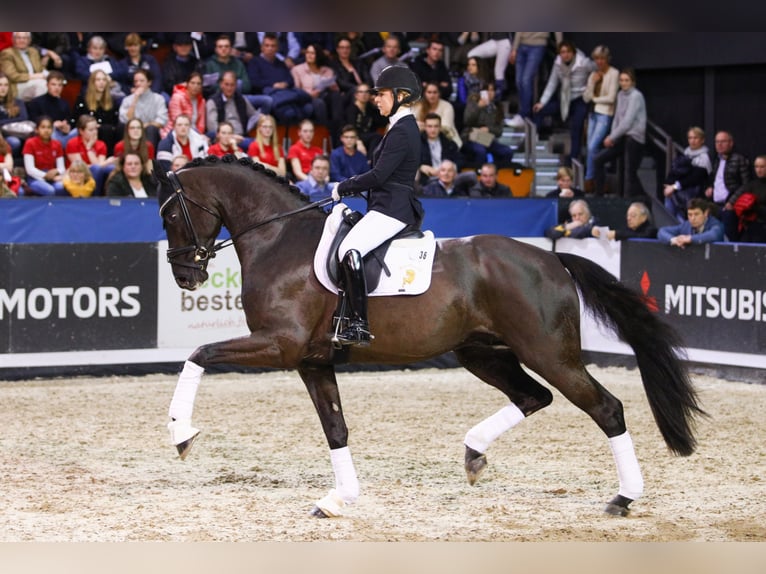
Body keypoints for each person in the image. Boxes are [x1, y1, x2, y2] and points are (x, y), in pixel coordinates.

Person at [330, 65, 425, 346]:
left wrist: (343, 187)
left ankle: (359, 324)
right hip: (385, 204)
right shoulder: (398, 127)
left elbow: (379, 175)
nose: (376, 99)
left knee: (350, 249)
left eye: (382, 94)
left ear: (401, 95)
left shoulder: (403, 130)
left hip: (392, 208)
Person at [532, 40, 595, 166]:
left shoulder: (583, 62)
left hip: (579, 99)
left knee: (576, 130)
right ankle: (533, 142)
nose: (565, 55)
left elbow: (598, 69)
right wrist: (542, 102)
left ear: (573, 53)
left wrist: (593, 82)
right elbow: (552, 83)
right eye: (562, 52)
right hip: (565, 99)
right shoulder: (558, 63)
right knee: (540, 111)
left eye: (568, 52)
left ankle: (570, 162)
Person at [592, 68, 647, 198]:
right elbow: (617, 118)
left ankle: (639, 200)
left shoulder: (636, 96)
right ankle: (599, 195)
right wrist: (613, 137)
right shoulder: (620, 94)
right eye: (621, 80)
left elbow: (628, 121)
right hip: (622, 137)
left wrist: (612, 137)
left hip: (634, 137)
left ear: (632, 82)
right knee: (598, 160)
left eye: (626, 80)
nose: (623, 83)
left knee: (629, 173)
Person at [246, 33, 307, 125]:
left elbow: (290, 80)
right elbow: (254, 82)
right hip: (268, 93)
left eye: (273, 46)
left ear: (277, 48)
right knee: (290, 111)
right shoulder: (254, 62)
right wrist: (273, 84)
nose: (270, 48)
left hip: (284, 92)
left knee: (308, 108)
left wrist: (285, 84)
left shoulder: (281, 63)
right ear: (262, 47)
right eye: (267, 46)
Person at [582, 45, 619, 193]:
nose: (599, 62)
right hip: (592, 114)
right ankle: (598, 181)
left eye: (602, 58)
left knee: (592, 147)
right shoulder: (593, 75)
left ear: (607, 59)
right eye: (597, 59)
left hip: (605, 114)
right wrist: (592, 83)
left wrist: (595, 98)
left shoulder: (614, 73)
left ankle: (589, 179)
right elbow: (585, 98)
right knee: (591, 149)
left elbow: (611, 98)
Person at [663, 126, 713, 222]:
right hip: (676, 195)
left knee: (685, 220)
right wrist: (669, 185)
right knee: (669, 217)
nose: (692, 141)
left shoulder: (704, 158)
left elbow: (695, 178)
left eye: (695, 138)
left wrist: (675, 186)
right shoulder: (685, 154)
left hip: (692, 197)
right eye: (690, 138)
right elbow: (675, 172)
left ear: (702, 140)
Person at [290, 43, 340, 137]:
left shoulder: (327, 70)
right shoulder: (297, 69)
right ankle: (324, 132)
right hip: (307, 97)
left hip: (324, 94)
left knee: (336, 96)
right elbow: (296, 89)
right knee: (318, 103)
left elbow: (335, 88)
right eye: (308, 52)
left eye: (313, 53)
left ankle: (337, 126)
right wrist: (310, 94)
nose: (309, 55)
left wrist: (332, 86)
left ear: (318, 55)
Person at [510, 32, 563, 119]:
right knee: (518, 81)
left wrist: (560, 47)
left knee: (526, 80)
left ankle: (524, 114)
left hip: (538, 45)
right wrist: (514, 48)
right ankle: (523, 111)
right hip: (521, 44)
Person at [461, 82, 514, 166]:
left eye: (492, 90)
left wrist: (489, 129)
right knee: (480, 151)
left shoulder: (497, 108)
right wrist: (478, 107)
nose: (489, 93)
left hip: (488, 139)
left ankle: (496, 174)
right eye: (487, 90)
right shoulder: (473, 103)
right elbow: (467, 121)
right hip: (471, 137)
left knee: (507, 152)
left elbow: (499, 131)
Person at [69, 69, 121, 154]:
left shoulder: (112, 101)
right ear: (92, 83)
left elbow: (114, 122)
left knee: (108, 130)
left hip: (107, 133)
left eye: (104, 80)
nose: (101, 82)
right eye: (98, 80)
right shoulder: (83, 99)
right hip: (87, 132)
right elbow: (76, 119)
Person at [206, 70, 261, 149]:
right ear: (221, 84)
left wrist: (263, 119)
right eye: (227, 84)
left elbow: (254, 115)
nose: (229, 88)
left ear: (236, 86)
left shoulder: (241, 99)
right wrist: (231, 137)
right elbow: (213, 128)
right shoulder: (213, 101)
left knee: (263, 143)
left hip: (242, 136)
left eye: (232, 85)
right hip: (224, 138)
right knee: (255, 146)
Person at [66, 114, 118, 195]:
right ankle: (95, 197)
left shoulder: (101, 144)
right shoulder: (72, 143)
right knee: (98, 168)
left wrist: (89, 148)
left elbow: (98, 166)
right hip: (77, 174)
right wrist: (106, 163)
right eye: (91, 130)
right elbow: (80, 168)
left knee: (112, 168)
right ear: (81, 131)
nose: (94, 132)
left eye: (96, 129)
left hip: (96, 173)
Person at [720, 154, 766, 243]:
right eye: (756, 167)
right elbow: (739, 198)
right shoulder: (751, 185)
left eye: (762, 167)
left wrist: (754, 207)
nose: (759, 170)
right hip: (751, 227)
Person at [118, 69, 168, 149]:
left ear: (149, 82)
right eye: (136, 81)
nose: (138, 84)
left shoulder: (158, 99)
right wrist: (135, 98)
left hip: (150, 131)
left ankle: (150, 158)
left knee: (151, 129)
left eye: (141, 81)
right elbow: (125, 120)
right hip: (131, 129)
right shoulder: (127, 100)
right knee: (122, 127)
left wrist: (145, 125)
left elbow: (161, 121)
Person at [704, 130, 751, 212]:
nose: (719, 144)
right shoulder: (717, 160)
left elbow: (746, 184)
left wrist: (732, 201)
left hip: (729, 206)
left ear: (731, 143)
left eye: (723, 141)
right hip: (714, 204)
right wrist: (710, 187)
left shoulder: (739, 159)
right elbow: (716, 179)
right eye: (717, 142)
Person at [0, 32, 52, 101]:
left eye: (25, 38)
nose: (22, 40)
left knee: (53, 83)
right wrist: (33, 77)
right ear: (13, 40)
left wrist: (48, 75)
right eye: (19, 38)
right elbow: (12, 76)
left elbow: (41, 69)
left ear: (29, 40)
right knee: (42, 85)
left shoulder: (33, 51)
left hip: (36, 81)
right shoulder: (7, 53)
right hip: (18, 85)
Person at [22, 116, 65, 196]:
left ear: (52, 130)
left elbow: (62, 168)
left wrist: (57, 171)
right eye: (43, 127)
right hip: (35, 178)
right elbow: (30, 169)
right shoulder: (30, 143)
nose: (46, 130)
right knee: (50, 190)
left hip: (53, 176)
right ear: (37, 129)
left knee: (61, 188)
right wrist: (45, 176)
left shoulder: (57, 144)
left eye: (49, 127)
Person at [657, 197, 725, 247]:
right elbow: (662, 231)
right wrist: (674, 240)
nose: (692, 218)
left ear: (706, 213)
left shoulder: (716, 224)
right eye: (690, 214)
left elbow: (713, 235)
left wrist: (690, 239)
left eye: (696, 214)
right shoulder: (686, 225)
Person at [418, 112, 463, 185]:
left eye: (436, 126)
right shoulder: (417, 142)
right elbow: (410, 159)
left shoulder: (448, 143)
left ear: (440, 127)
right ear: (425, 127)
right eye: (430, 126)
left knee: (471, 176)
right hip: (427, 178)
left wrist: (450, 168)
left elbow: (460, 159)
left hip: (448, 177)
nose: (433, 129)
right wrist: (420, 166)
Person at [413, 81, 462, 149]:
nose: (432, 95)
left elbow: (445, 128)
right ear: (425, 93)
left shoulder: (447, 106)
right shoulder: (418, 106)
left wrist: (423, 126)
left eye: (435, 92)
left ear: (439, 93)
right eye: (429, 92)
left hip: (448, 140)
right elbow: (410, 123)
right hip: (425, 143)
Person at [343, 82, 385, 159]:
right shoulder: (351, 109)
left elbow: (382, 122)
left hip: (368, 137)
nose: (364, 94)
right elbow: (351, 127)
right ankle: (369, 160)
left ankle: (371, 161)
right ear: (356, 95)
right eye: (361, 92)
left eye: (366, 92)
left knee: (378, 137)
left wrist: (376, 105)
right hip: (354, 137)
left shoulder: (370, 109)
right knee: (376, 136)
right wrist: (358, 141)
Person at [113, 33, 163, 98]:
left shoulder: (150, 60)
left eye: (135, 45)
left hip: (152, 92)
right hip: (133, 94)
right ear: (126, 47)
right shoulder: (122, 64)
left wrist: (152, 93)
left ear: (140, 46)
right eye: (130, 45)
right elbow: (121, 82)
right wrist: (129, 90)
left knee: (165, 98)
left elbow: (157, 78)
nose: (133, 48)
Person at [467, 33, 513, 102]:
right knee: (471, 54)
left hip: (505, 41)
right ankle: (478, 83)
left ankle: (498, 96)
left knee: (498, 71)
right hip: (494, 40)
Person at [162, 71, 206, 139]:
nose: (195, 86)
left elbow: (201, 124)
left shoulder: (202, 101)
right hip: (176, 132)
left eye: (198, 84)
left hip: (195, 133)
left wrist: (199, 135)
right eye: (192, 83)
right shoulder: (177, 97)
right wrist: (196, 135)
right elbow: (177, 121)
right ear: (187, 84)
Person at [330, 36, 372, 106]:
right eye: (342, 48)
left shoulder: (358, 63)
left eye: (347, 47)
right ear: (337, 49)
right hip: (347, 93)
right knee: (355, 93)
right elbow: (341, 83)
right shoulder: (333, 65)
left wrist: (365, 89)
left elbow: (368, 78)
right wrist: (360, 90)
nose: (345, 50)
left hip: (365, 91)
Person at [591, 201, 657, 241]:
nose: (629, 218)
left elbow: (641, 237)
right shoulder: (627, 229)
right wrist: (598, 232)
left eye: (633, 215)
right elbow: (614, 234)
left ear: (644, 217)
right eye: (628, 215)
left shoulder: (651, 231)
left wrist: (617, 235)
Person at [0, 70, 30, 156]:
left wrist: (2, 123)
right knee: (13, 141)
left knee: (16, 141)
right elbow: (19, 119)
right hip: (2, 135)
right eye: (0, 85)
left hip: (15, 133)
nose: (3, 88)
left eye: (6, 85)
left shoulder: (17, 102)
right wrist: (12, 121)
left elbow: (24, 118)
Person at [161, 34, 199, 98]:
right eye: (180, 45)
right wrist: (183, 86)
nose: (183, 48)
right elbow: (168, 86)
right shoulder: (168, 63)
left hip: (195, 93)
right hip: (175, 95)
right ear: (175, 47)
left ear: (191, 47)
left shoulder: (197, 62)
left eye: (186, 45)